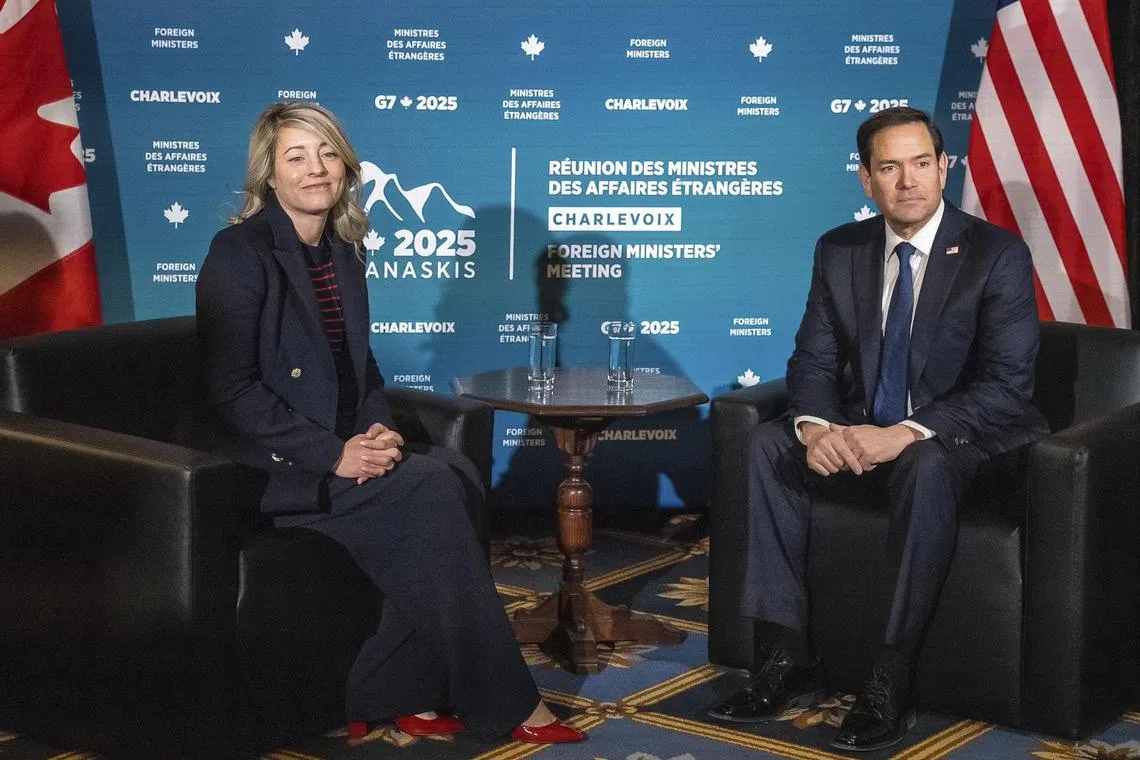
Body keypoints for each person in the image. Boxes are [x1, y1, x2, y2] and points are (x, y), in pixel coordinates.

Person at [195, 101, 584, 745]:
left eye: (327, 153)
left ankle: (389, 693)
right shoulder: (238, 252)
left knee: (454, 473)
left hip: (342, 450)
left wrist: (378, 431)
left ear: (347, 166)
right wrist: (333, 454)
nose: (315, 169)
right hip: (270, 471)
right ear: (269, 175)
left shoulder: (343, 248)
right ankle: (508, 701)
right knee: (428, 488)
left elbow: (362, 367)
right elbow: (230, 391)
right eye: (296, 157)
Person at [707, 107, 1047, 752]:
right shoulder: (839, 250)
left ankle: (889, 675)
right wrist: (813, 427)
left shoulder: (995, 253)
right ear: (866, 180)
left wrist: (911, 432)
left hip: (971, 438)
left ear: (944, 168)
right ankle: (785, 657)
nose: (908, 181)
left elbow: (1008, 386)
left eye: (922, 163)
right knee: (765, 444)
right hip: (867, 428)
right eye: (889, 167)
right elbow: (811, 359)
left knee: (924, 464)